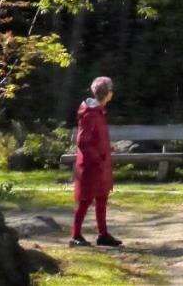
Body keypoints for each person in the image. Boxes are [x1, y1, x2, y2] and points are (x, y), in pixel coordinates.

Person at [70, 76, 122, 248]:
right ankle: (75, 236)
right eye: (110, 91)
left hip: (100, 165)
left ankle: (103, 234)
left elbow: (94, 138)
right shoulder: (91, 113)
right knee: (85, 200)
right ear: (108, 94)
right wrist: (98, 157)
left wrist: (107, 148)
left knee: (101, 198)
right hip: (91, 166)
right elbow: (83, 141)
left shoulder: (98, 112)